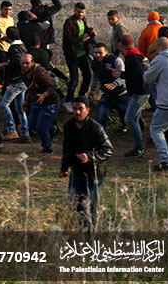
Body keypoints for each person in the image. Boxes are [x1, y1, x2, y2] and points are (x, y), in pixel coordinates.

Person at [60, 96, 113, 233]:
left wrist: (90, 156)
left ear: (87, 110)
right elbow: (67, 148)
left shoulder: (96, 128)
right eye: (75, 109)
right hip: (77, 171)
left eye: (80, 109)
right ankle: (74, 231)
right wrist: (64, 167)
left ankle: (90, 234)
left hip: (94, 173)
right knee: (73, 203)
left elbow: (108, 149)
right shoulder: (68, 125)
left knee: (88, 204)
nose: (77, 112)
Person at [143, 38, 168, 172]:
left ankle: (165, 161)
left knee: (156, 129)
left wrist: (148, 69)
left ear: (159, 48)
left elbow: (148, 79)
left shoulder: (160, 59)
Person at [21, 54, 60, 154]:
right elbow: (31, 88)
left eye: (27, 63)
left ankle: (47, 148)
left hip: (49, 103)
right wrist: (27, 100)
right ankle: (53, 129)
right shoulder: (24, 73)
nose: (24, 65)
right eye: (23, 63)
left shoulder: (40, 72)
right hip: (36, 102)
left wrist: (44, 95)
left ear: (33, 63)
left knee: (41, 128)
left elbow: (52, 86)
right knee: (31, 125)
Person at [119, 34, 149, 158]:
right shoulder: (137, 54)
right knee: (134, 119)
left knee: (129, 119)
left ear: (121, 45)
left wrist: (121, 74)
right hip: (141, 92)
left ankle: (140, 148)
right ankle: (139, 146)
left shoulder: (132, 57)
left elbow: (137, 75)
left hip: (139, 93)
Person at [62, 3, 95, 112]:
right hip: (72, 55)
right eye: (79, 12)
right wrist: (81, 40)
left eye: (82, 12)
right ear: (74, 11)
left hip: (83, 53)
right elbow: (67, 38)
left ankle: (82, 95)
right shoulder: (69, 22)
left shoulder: (83, 20)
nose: (81, 14)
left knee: (87, 75)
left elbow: (85, 31)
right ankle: (68, 101)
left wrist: (90, 31)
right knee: (74, 79)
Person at [0, 26, 29, 142]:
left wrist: (5, 64)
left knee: (4, 104)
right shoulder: (22, 45)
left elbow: (17, 61)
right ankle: (25, 132)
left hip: (16, 81)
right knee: (20, 108)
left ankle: (12, 130)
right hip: (24, 81)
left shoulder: (13, 49)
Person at [91, 42, 128, 132]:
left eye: (100, 53)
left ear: (106, 52)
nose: (98, 55)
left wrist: (115, 84)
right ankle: (101, 137)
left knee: (125, 117)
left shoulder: (115, 60)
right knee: (101, 116)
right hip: (107, 95)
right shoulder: (94, 63)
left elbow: (124, 76)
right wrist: (92, 88)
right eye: (96, 53)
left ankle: (126, 127)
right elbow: (95, 76)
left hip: (121, 94)